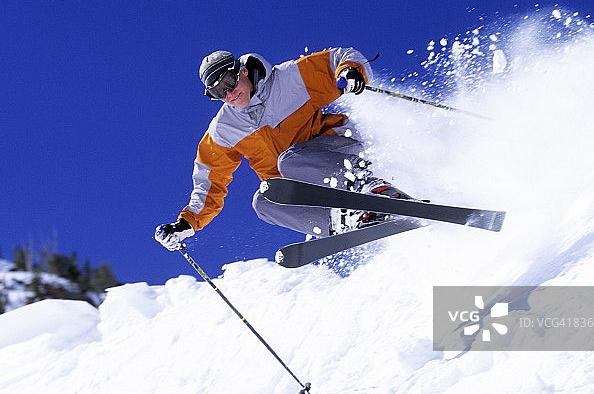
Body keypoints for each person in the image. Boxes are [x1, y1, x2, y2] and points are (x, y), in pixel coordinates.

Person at [154, 47, 411, 251]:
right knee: (265, 201)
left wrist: (352, 71)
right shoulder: (224, 129)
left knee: (288, 161)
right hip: (306, 182)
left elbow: (338, 58)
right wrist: (187, 223)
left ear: (241, 71)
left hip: (340, 153)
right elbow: (210, 180)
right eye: (217, 92)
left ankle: (370, 188)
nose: (229, 94)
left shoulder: (288, 80)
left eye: (229, 82)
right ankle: (343, 222)